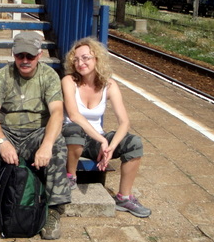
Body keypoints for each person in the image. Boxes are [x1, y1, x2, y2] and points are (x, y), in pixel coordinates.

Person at [0, 32, 70, 241]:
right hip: (8, 131)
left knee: (57, 142)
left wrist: (46, 145)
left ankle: (55, 209)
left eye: (30, 56)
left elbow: (57, 113)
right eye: (20, 56)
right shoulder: (3, 75)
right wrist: (2, 142)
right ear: (14, 54)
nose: (25, 60)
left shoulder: (49, 76)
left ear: (40, 55)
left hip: (36, 132)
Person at [61, 37, 151, 218]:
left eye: (85, 58)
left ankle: (124, 197)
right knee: (74, 129)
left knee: (133, 143)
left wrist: (110, 146)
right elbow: (74, 115)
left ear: (97, 59)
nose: (80, 63)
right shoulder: (69, 81)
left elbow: (124, 122)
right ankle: (70, 177)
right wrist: (102, 140)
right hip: (71, 140)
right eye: (76, 59)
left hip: (96, 140)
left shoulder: (109, 85)